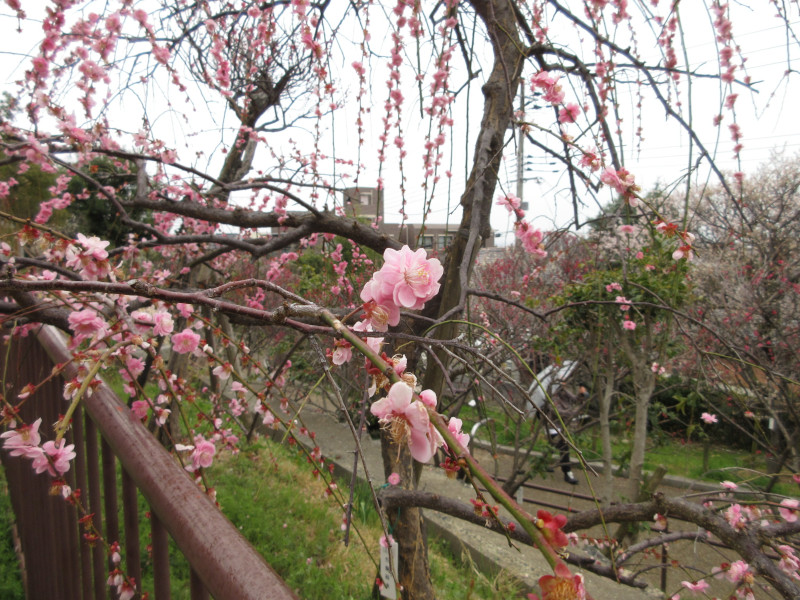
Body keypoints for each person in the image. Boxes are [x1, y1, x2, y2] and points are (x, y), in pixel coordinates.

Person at [526, 361, 588, 485]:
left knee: (552, 445)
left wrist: (582, 394)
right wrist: (573, 413)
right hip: (552, 424)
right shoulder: (547, 395)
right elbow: (556, 411)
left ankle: (542, 464)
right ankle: (567, 472)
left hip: (563, 424)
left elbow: (574, 399)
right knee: (563, 446)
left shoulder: (561, 390)